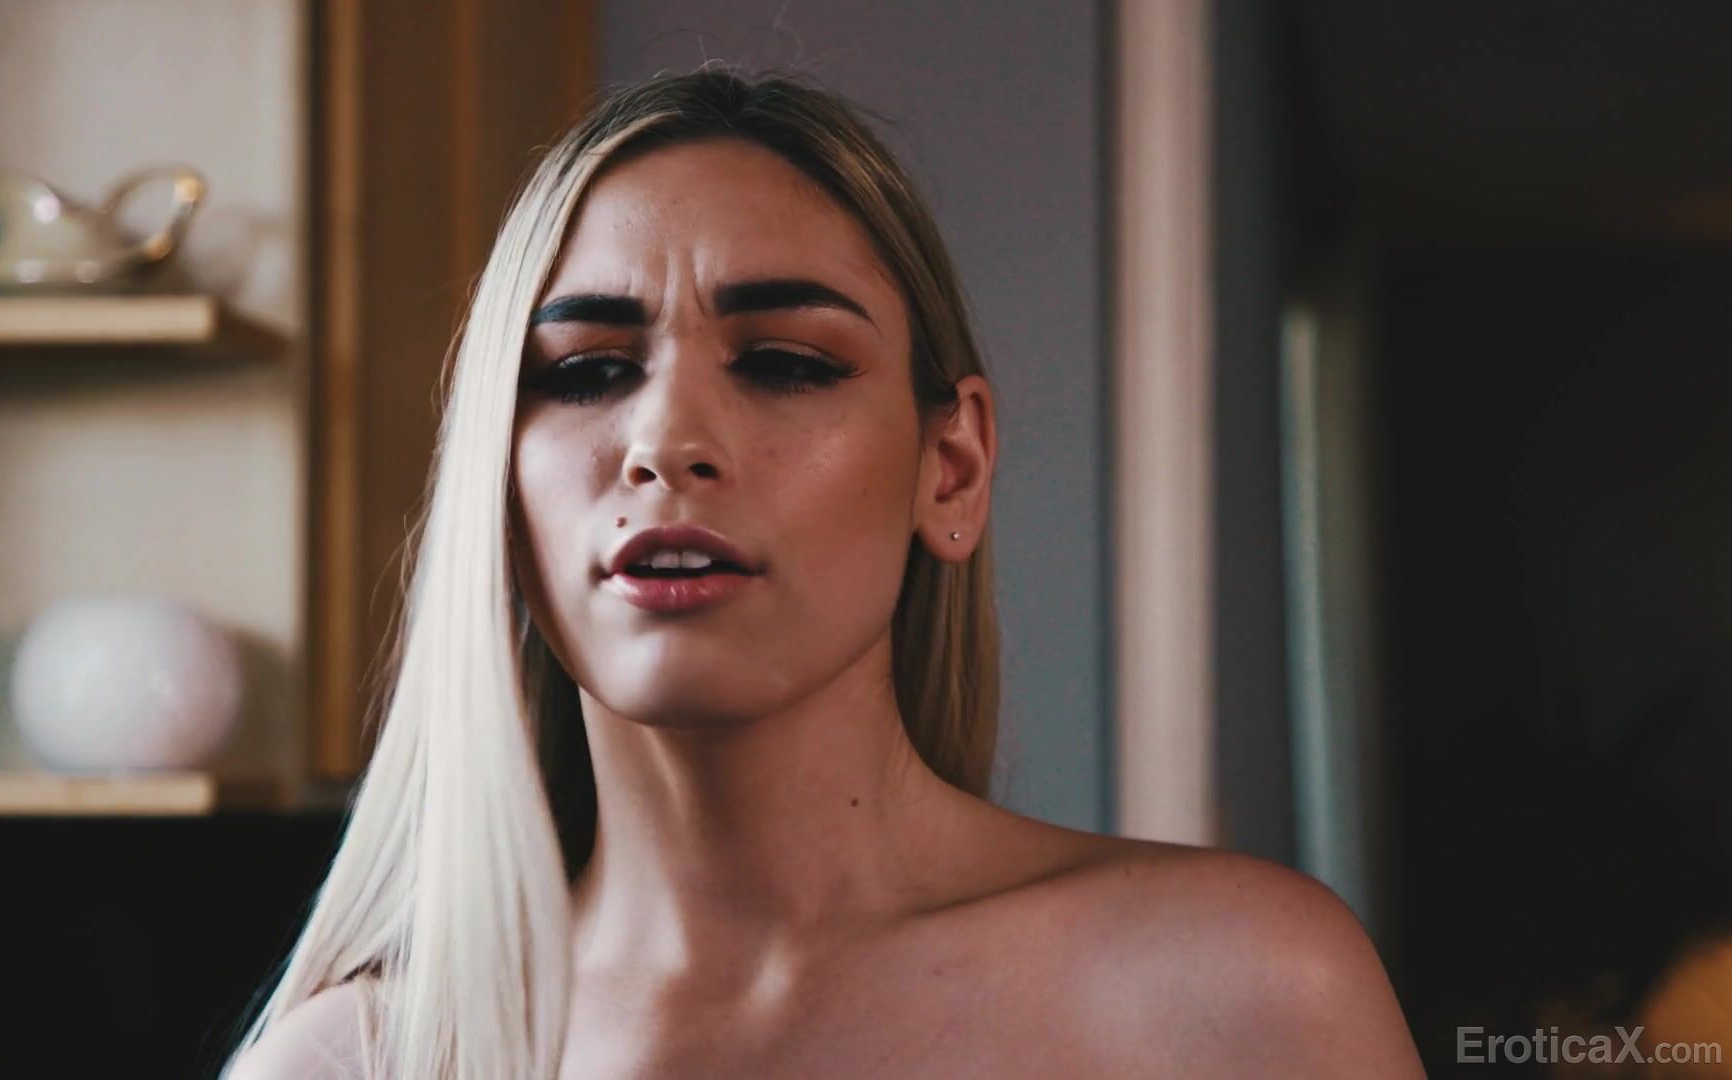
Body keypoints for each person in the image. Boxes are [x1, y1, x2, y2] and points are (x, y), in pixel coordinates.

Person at [222, 67, 1423, 1078]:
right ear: (496, 478)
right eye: (585, 371)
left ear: (951, 470)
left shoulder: (1240, 994)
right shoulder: (355, 1063)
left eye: (788, 363)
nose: (666, 442)